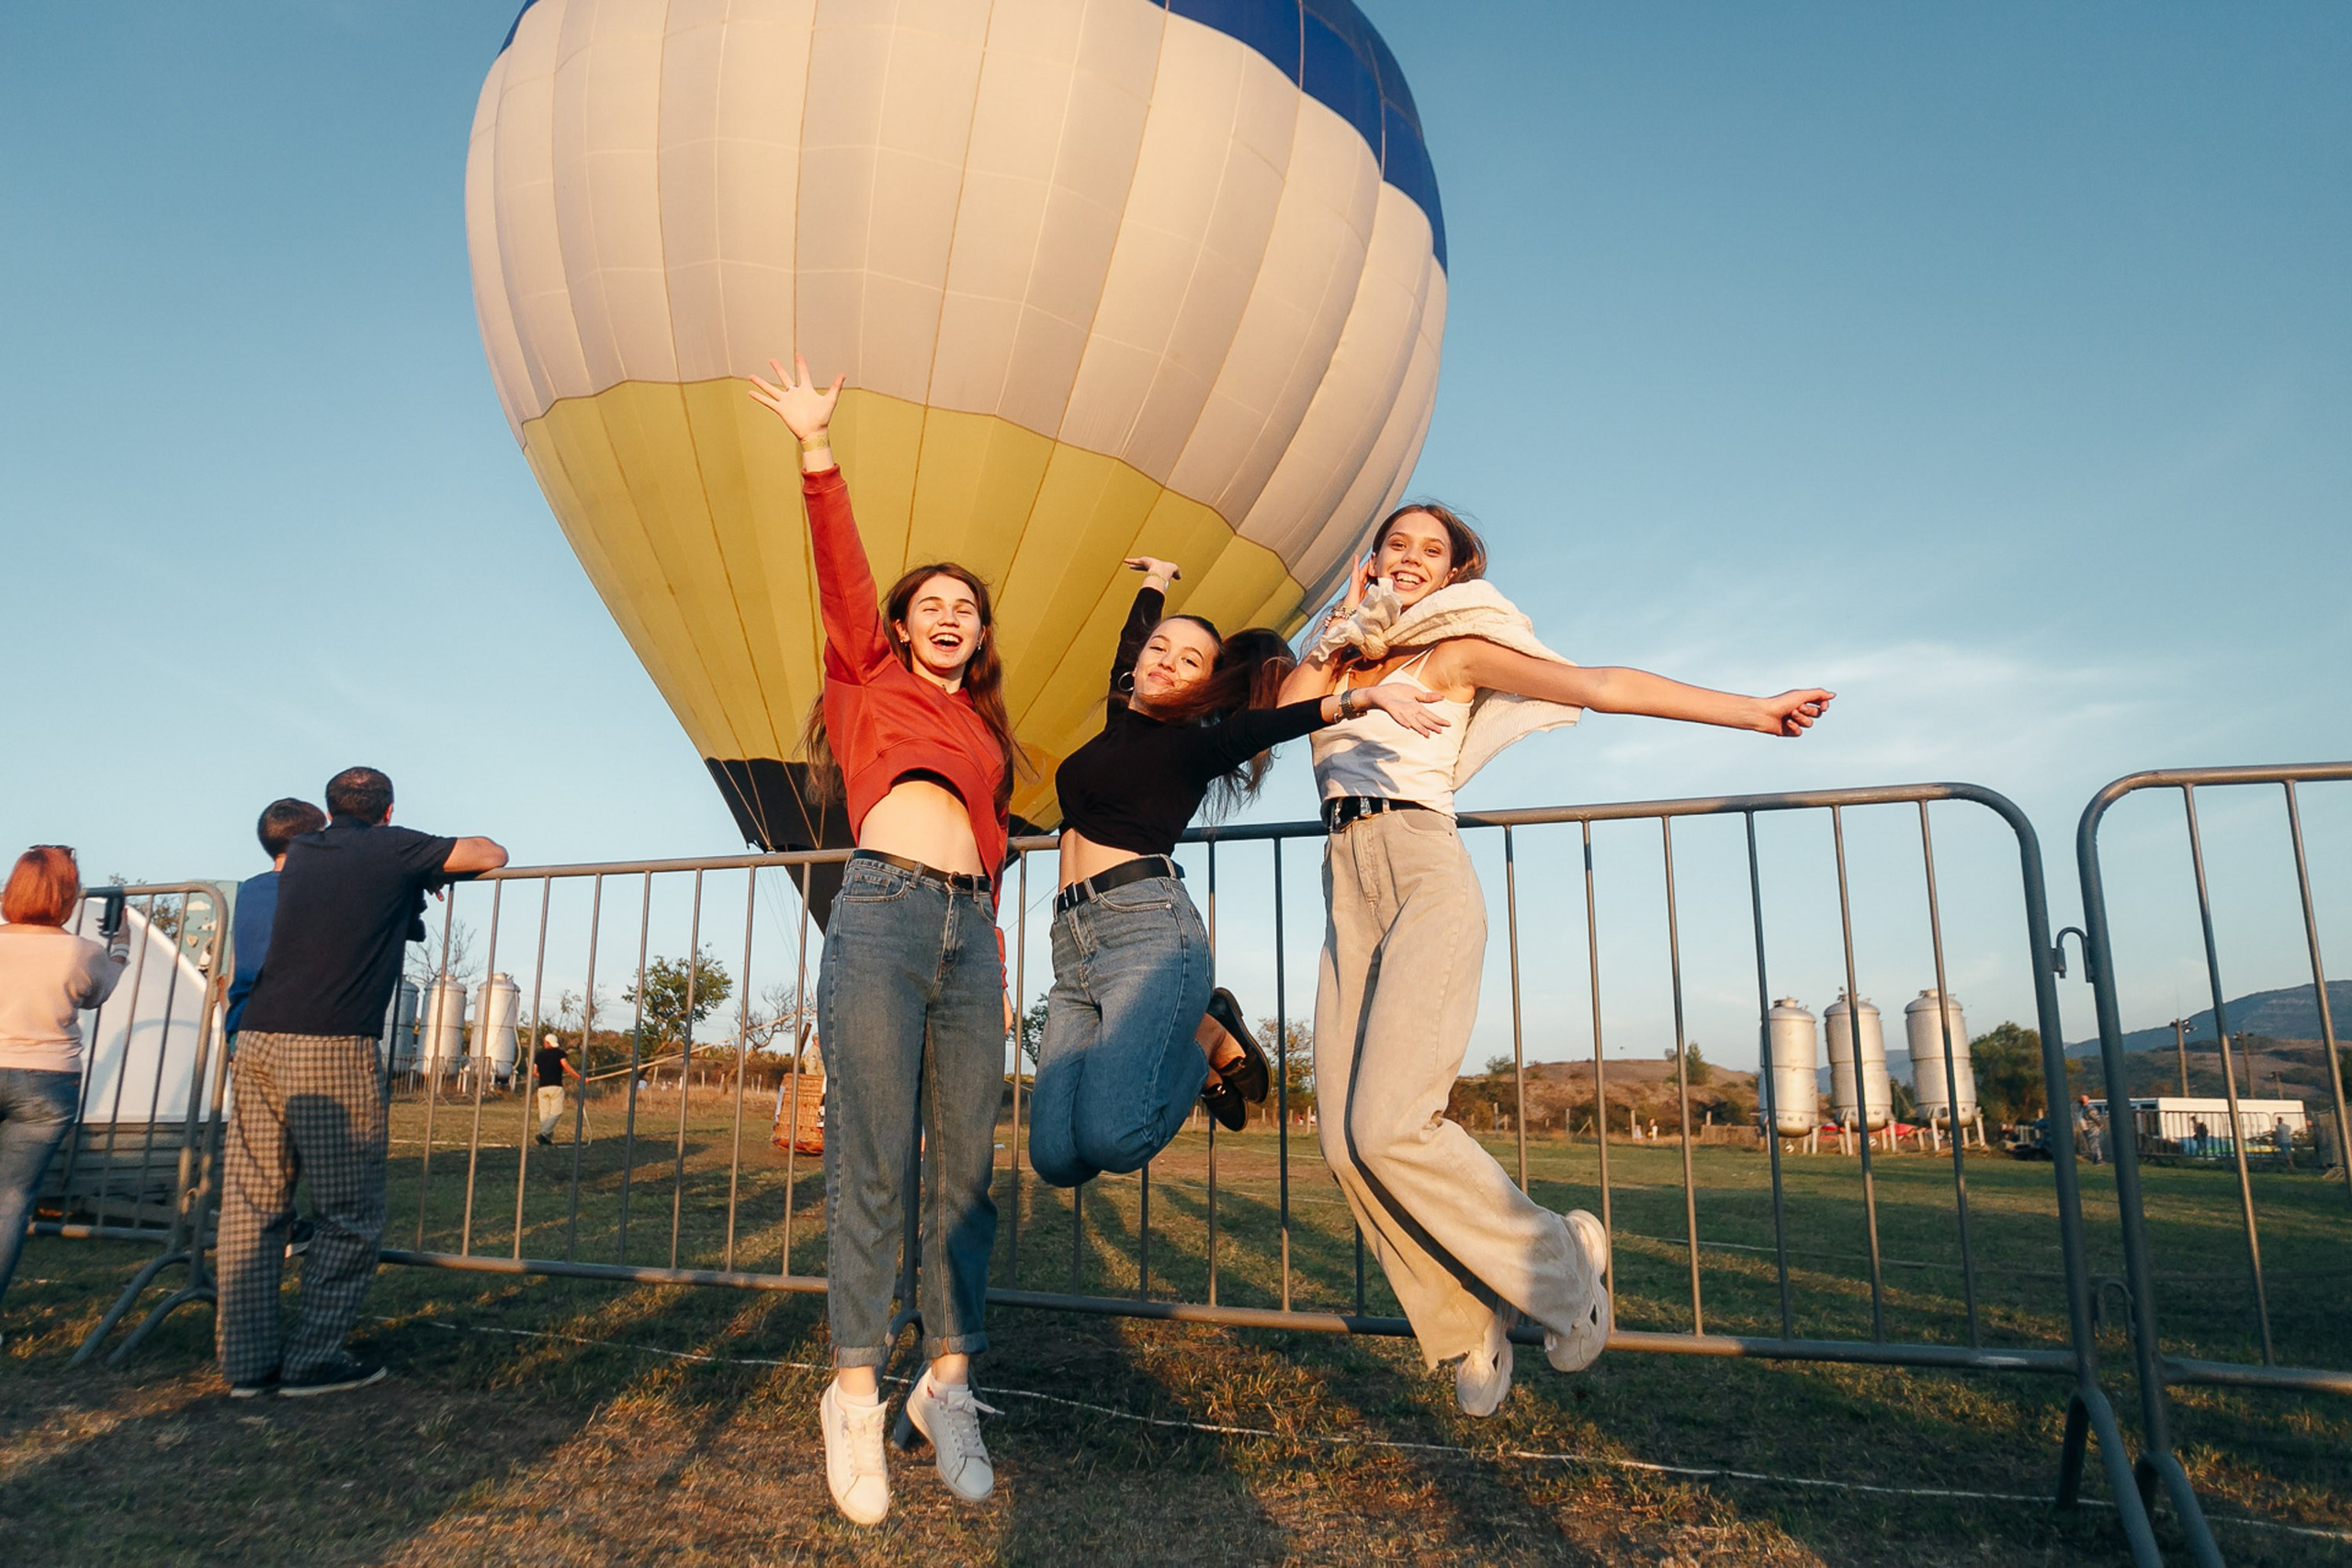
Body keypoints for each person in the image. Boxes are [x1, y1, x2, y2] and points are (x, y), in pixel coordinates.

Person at [1283, 501, 1832, 1417]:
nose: (1411, 558)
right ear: (1371, 559)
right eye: (1395, 545)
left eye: (1431, 550)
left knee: (1389, 1127)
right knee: (1342, 1145)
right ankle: (1469, 1321)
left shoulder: (1452, 655)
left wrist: (1751, 712)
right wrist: (1343, 620)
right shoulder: (1337, 665)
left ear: (1455, 573)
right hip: (1347, 884)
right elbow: (1274, 719)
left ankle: (1565, 1270)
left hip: (1423, 870)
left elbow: (1600, 684)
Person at [750, 356, 1012, 1525]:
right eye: (932, 604)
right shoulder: (865, 678)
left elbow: (992, 846)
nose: (951, 617)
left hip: (970, 933)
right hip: (882, 913)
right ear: (901, 628)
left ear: (981, 637)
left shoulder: (983, 730)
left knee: (965, 1174)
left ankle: (945, 1383)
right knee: (873, 1162)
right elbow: (843, 576)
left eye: (969, 608)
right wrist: (817, 452)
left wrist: (991, 952)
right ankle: (854, 1392)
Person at [1030, 554, 1448, 1188]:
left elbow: (1272, 722)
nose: (1165, 661)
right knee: (1057, 1158)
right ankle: (1208, 1025)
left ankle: (1206, 1042)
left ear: (1205, 686)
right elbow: (1132, 643)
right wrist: (1154, 581)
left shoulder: (1196, 745)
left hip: (1145, 930)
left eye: (1189, 661)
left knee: (1115, 1139)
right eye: (1159, 650)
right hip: (1072, 940)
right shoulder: (1121, 714)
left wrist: (1360, 698)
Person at [218, 767, 506, 1398]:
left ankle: (246, 1363)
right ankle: (313, 1358)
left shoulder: (303, 852)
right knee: (348, 1211)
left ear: (328, 811)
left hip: (259, 1035)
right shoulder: (389, 847)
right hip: (332, 1041)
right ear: (388, 810)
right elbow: (490, 852)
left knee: (253, 1203)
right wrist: (426, 868)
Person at [0, 847, 130, 1344]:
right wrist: (120, 947)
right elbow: (99, 993)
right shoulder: (81, 952)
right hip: (48, 1080)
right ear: (68, 896)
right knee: (11, 1200)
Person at [224, 799, 329, 1038]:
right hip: (295, 1021)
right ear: (309, 842)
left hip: (244, 1020)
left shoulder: (249, 889)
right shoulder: (313, 889)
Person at [533, 1032, 583, 1145]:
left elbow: (534, 1072)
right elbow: (567, 1068)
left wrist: (545, 1075)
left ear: (547, 1043)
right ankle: (544, 1134)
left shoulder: (539, 1055)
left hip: (542, 1087)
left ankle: (546, 1139)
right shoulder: (560, 1054)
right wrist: (579, 1077)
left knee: (545, 1114)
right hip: (555, 1086)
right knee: (557, 1112)